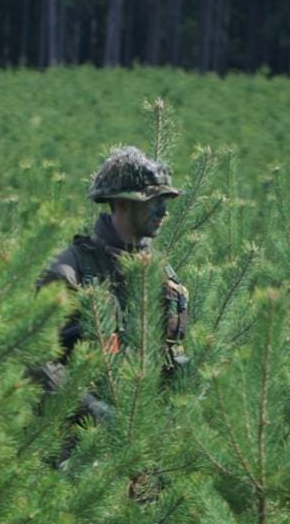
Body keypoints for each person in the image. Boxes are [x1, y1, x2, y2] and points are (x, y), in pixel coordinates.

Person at [34, 145, 190, 439]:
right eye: (153, 201)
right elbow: (36, 358)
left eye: (165, 200)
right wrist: (92, 410)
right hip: (79, 442)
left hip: (148, 439)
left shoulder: (161, 274)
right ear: (122, 204)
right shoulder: (69, 271)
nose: (164, 211)